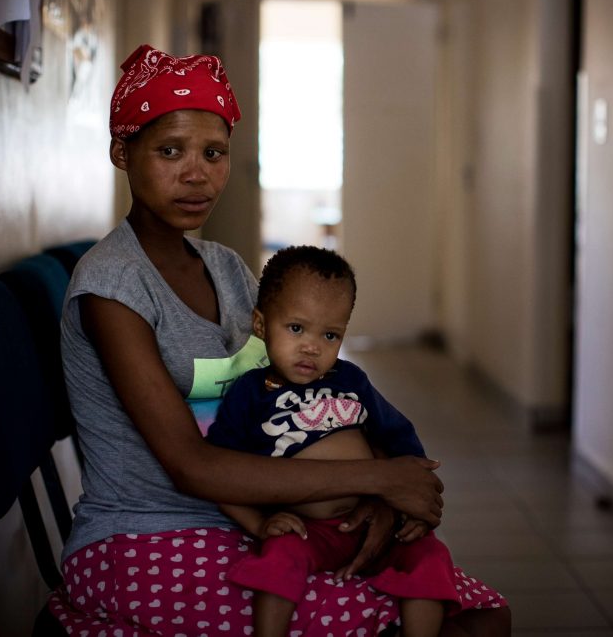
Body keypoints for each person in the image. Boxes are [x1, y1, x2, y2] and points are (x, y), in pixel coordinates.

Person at [47, 44, 512, 636]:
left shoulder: (226, 269)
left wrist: (363, 500)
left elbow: (299, 399)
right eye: (169, 151)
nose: (196, 173)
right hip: (144, 535)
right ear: (122, 153)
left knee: (482, 611)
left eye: (213, 153)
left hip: (268, 518)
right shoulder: (113, 287)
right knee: (446, 625)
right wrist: (372, 478)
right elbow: (191, 466)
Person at [206, 245, 504, 637]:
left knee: (431, 554)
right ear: (261, 325)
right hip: (309, 531)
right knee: (278, 558)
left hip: (370, 520)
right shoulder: (251, 394)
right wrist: (260, 524)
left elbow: (399, 440)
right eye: (296, 328)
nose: (312, 346)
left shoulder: (351, 381)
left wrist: (406, 506)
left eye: (330, 334)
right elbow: (219, 471)